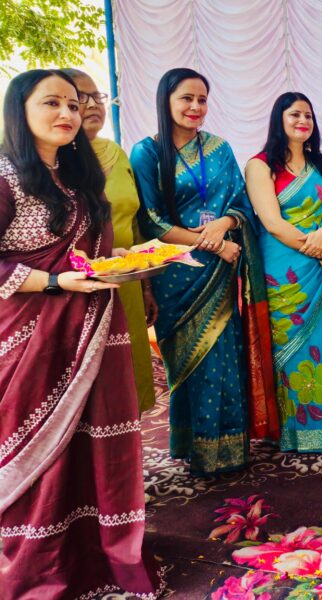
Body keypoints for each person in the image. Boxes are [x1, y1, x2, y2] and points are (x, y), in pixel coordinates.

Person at [0, 69, 162, 598]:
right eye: (52, 103)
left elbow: (85, 255)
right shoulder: (4, 175)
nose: (67, 113)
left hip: (94, 324)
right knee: (40, 443)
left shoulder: (77, 177)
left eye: (74, 104)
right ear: (20, 110)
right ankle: (38, 560)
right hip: (33, 335)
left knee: (93, 440)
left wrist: (125, 259)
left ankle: (97, 548)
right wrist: (52, 281)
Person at [131, 67, 274, 475]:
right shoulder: (146, 153)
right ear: (166, 101)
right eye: (186, 98)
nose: (195, 107)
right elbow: (152, 221)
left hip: (219, 269)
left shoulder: (218, 148)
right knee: (188, 361)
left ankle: (228, 448)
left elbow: (240, 204)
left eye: (202, 100)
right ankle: (196, 448)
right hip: (177, 272)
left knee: (223, 357)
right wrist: (212, 242)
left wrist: (224, 226)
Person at [245, 92, 322, 452]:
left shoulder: (319, 162)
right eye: (294, 114)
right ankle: (293, 431)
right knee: (288, 345)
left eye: (308, 116)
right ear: (279, 120)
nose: (302, 121)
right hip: (283, 269)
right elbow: (272, 222)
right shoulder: (260, 166)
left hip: (317, 267)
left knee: (320, 342)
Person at [61, 68, 158, 413]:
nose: (92, 105)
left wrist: (146, 286)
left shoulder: (116, 153)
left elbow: (135, 220)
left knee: (128, 381)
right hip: (77, 288)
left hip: (125, 282)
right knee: (91, 393)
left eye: (97, 96)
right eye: (81, 98)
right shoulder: (55, 160)